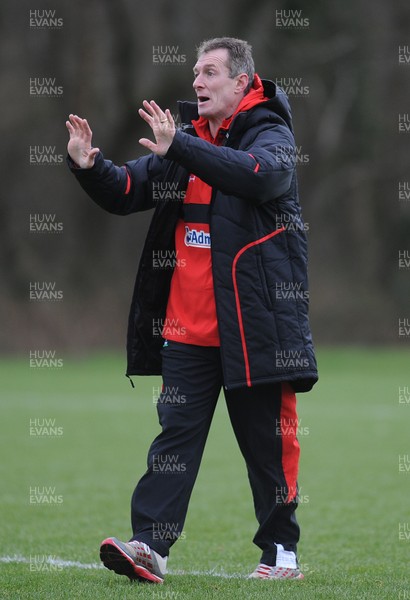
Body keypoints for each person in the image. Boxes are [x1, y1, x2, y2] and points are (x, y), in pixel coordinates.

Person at [66, 37, 318, 584]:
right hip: (187, 333)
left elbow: (258, 175)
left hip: (256, 328)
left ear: (242, 82)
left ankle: (281, 556)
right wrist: (89, 166)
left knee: (268, 448)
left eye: (210, 72)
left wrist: (178, 145)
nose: (198, 82)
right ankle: (149, 548)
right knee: (173, 442)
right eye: (195, 73)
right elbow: (128, 188)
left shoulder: (270, 132)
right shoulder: (183, 142)